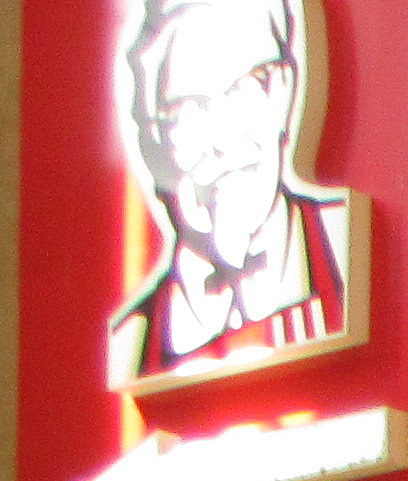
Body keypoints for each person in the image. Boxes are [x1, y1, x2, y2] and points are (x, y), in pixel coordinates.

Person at [109, 0, 360, 392]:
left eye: (249, 86)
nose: (225, 138)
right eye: (188, 108)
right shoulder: (131, 343)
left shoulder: (350, 249)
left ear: (284, 91)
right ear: (152, 139)